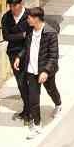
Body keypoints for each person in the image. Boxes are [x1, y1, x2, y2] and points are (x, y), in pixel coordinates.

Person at [18, 8, 61, 138]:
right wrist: (19, 57)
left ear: (36, 18)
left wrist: (46, 71)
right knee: (33, 99)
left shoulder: (50, 33)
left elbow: (53, 56)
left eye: (29, 17)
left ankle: (58, 104)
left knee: (51, 90)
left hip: (44, 71)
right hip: (31, 71)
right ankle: (37, 125)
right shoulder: (30, 30)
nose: (27, 19)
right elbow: (27, 48)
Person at [1, 0, 28, 77]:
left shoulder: (29, 15)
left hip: (28, 51)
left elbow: (31, 35)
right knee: (20, 82)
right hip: (13, 51)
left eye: (14, 6)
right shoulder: (6, 17)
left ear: (21, 3)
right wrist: (22, 35)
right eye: (10, 6)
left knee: (31, 81)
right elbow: (6, 36)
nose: (12, 9)